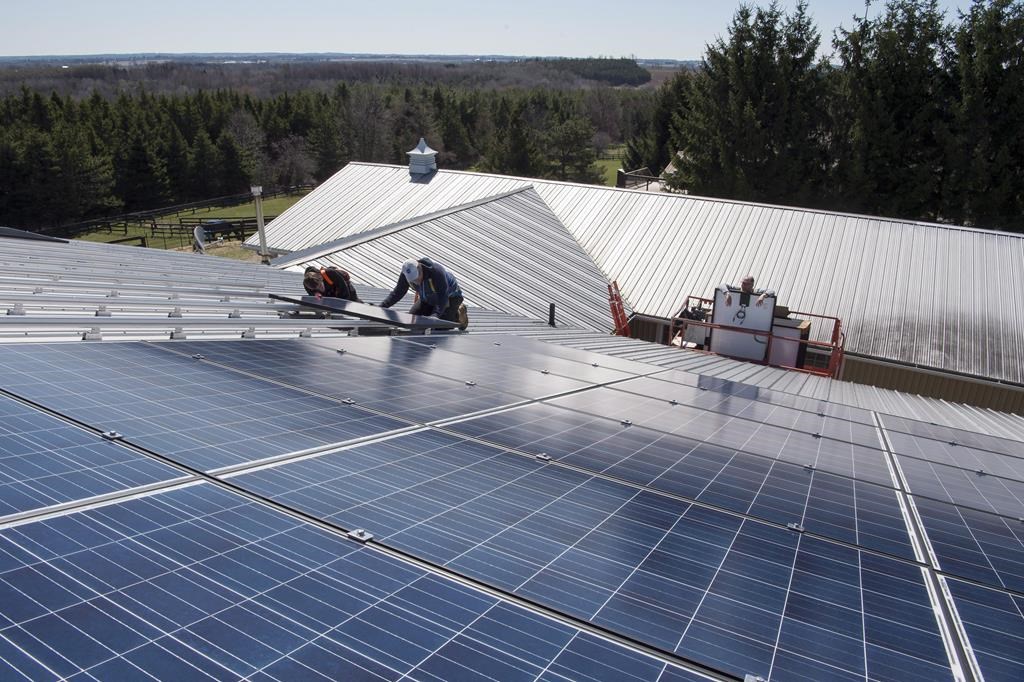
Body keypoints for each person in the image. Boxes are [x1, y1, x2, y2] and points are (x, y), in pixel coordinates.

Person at [379, 257, 469, 330]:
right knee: (411, 322)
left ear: (420, 268)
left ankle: (458, 314)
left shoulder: (436, 271)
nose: (416, 281)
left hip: (450, 298)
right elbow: (398, 292)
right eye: (413, 280)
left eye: (417, 277)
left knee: (440, 326)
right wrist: (382, 306)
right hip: (427, 298)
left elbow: (443, 296)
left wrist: (435, 315)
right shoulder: (406, 273)